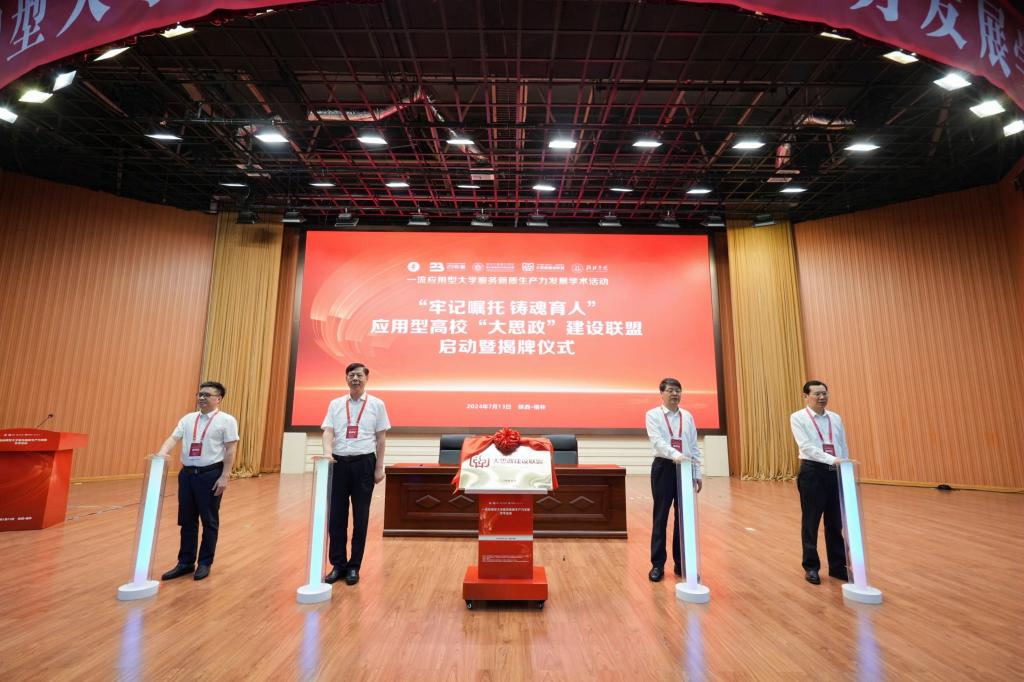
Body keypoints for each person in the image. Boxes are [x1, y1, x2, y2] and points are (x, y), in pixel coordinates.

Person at [156, 381, 239, 582]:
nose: (201, 398)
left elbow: (230, 449)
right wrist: (161, 453)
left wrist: (225, 476)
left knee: (209, 521)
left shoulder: (227, 420)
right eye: (200, 394)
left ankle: (204, 562)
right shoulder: (188, 419)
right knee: (187, 520)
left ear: (218, 399)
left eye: (207, 395)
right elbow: (173, 438)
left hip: (210, 474)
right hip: (187, 475)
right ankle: (185, 562)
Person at [321, 362, 390, 586]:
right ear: (346, 379)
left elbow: (381, 439)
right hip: (338, 462)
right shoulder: (336, 404)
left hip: (364, 463)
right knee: (336, 517)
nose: (355, 379)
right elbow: (328, 431)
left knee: (361, 517)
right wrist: (327, 454)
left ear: (366, 378)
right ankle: (338, 565)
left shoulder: (377, 404)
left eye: (359, 375)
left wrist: (379, 467)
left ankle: (354, 566)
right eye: (351, 375)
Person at [790, 380, 850, 585]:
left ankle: (838, 567)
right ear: (806, 396)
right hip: (812, 472)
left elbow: (841, 445)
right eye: (817, 394)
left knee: (835, 523)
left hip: (835, 472)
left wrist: (844, 465)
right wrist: (832, 459)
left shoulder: (835, 418)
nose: (822, 397)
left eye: (825, 393)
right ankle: (811, 567)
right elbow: (806, 447)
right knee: (811, 522)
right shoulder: (798, 417)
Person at [645, 377, 702, 582]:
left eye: (678, 390)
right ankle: (657, 564)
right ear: (661, 393)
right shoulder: (653, 415)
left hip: (685, 468)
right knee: (660, 516)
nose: (675, 394)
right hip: (664, 467)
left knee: (683, 518)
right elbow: (658, 442)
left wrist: (696, 472)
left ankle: (682, 564)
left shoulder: (688, 416)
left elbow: (693, 446)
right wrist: (676, 455)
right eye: (670, 390)